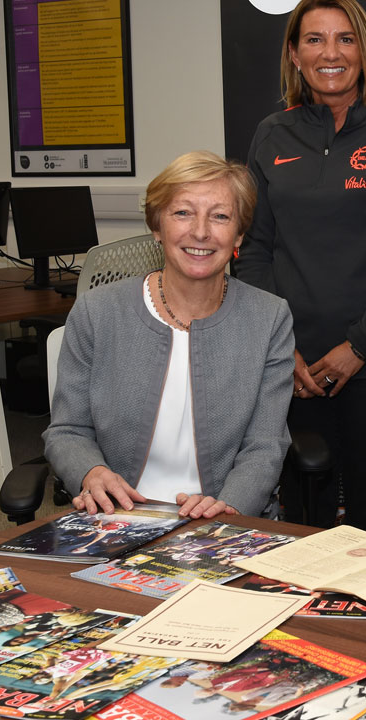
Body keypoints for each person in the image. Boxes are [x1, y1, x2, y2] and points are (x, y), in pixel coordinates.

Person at [235, 0, 366, 531]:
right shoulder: (271, 134)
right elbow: (253, 249)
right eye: (315, 40)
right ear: (295, 56)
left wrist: (359, 348)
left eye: (345, 39)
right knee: (302, 520)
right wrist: (282, 349)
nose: (332, 53)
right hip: (293, 368)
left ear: (363, 51)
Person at [45, 151, 295, 520]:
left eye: (221, 216)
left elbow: (265, 446)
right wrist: (91, 472)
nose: (200, 231)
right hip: (117, 515)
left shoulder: (269, 318)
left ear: (239, 234)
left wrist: (229, 506)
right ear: (157, 226)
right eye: (182, 213)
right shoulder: (97, 311)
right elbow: (67, 429)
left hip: (223, 520)